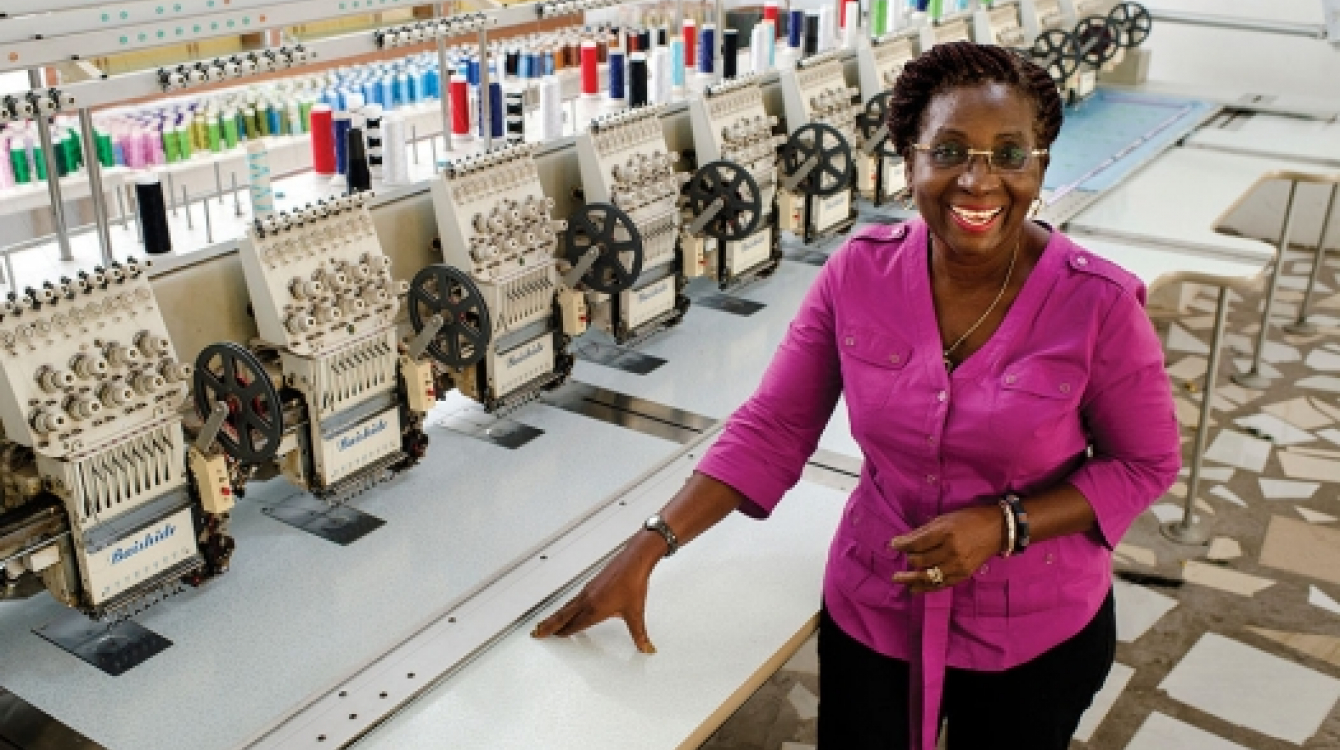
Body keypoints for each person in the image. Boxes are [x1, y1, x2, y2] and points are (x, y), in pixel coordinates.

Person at [533, 41, 1181, 750]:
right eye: (950, 150)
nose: (978, 180)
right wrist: (651, 545)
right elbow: (775, 425)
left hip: (1029, 629)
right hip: (879, 606)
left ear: (1040, 166)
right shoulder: (858, 275)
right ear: (910, 162)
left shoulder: (1099, 304)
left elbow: (1144, 463)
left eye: (1009, 154)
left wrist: (1005, 525)